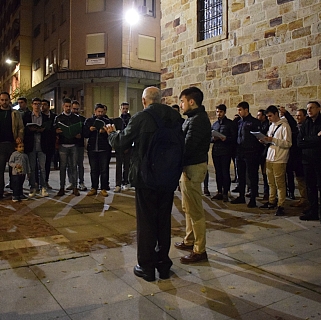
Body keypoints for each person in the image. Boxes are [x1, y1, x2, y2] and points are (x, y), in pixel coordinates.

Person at [106, 86, 184, 281]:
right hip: (167, 177)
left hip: (146, 177)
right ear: (161, 99)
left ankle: (146, 267)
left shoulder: (141, 117)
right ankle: (163, 265)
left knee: (146, 222)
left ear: (144, 101)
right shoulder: (174, 117)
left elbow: (121, 142)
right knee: (163, 220)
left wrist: (111, 133)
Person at [174, 86, 211, 264]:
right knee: (188, 207)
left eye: (182, 101)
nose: (180, 105)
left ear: (191, 101)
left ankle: (199, 249)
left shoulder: (198, 121)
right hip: (188, 167)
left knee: (195, 210)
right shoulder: (193, 118)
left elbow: (187, 147)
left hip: (193, 168)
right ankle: (190, 240)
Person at [259, 105, 292, 216]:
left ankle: (281, 204)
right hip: (270, 157)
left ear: (276, 114)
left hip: (280, 158)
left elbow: (288, 143)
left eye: (270, 116)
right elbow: (270, 140)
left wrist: (273, 140)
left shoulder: (284, 126)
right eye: (267, 116)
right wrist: (264, 141)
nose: (269, 118)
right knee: (270, 182)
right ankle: (272, 201)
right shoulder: (272, 126)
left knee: (280, 184)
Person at [231, 101, 261, 208]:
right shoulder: (239, 122)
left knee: (252, 176)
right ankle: (241, 196)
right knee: (241, 175)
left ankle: (253, 198)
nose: (238, 112)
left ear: (246, 110)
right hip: (240, 152)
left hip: (251, 152)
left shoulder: (254, 122)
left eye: (240, 110)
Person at [23, 97, 52, 197]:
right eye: (35, 104)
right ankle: (33, 187)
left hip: (42, 145)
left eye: (39, 104)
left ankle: (43, 187)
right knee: (32, 168)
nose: (37, 106)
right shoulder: (26, 116)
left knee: (42, 168)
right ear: (32, 105)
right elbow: (23, 130)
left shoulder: (45, 117)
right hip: (31, 145)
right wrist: (30, 129)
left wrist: (42, 130)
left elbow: (49, 130)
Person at [298, 101, 321, 221]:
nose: (309, 110)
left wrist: (307, 140)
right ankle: (313, 211)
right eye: (307, 108)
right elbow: (299, 142)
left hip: (319, 160)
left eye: (312, 108)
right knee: (310, 187)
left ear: (318, 109)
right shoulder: (306, 122)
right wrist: (316, 138)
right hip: (307, 160)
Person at [83, 103, 113, 197]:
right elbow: (84, 134)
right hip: (92, 148)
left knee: (104, 169)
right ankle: (94, 188)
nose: (100, 113)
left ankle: (103, 188)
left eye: (102, 111)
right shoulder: (89, 121)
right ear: (95, 111)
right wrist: (89, 130)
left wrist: (104, 132)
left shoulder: (107, 121)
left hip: (104, 149)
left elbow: (112, 134)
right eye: (98, 111)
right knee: (94, 169)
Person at [54, 98, 81, 196]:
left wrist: (78, 134)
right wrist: (56, 131)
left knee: (74, 167)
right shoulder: (58, 118)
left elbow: (79, 129)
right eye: (66, 106)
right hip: (63, 145)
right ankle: (61, 187)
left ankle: (75, 187)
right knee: (63, 167)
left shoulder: (75, 117)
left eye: (70, 106)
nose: (68, 108)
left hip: (73, 144)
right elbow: (54, 129)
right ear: (63, 106)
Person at [0, 91, 24, 199]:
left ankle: (15, 192)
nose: (4, 102)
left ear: (9, 100)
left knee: (14, 170)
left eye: (6, 100)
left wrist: (19, 136)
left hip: (12, 144)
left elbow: (20, 127)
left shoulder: (15, 113)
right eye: (2, 100)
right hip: (0, 145)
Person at [211, 104, 237, 202]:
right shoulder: (215, 124)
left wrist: (225, 138)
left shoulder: (230, 124)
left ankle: (226, 192)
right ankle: (219, 191)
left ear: (224, 112)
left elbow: (234, 138)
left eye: (220, 112)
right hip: (216, 151)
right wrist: (213, 139)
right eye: (217, 112)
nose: (219, 114)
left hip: (226, 151)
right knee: (218, 172)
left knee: (225, 172)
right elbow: (210, 137)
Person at [288, 109, 309, 208]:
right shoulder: (297, 128)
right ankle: (304, 198)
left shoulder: (307, 127)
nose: (297, 117)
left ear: (305, 116)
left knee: (307, 180)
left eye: (299, 115)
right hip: (297, 158)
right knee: (300, 179)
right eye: (296, 115)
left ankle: (307, 199)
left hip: (306, 157)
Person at [66, 100, 87, 191]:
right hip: (70, 143)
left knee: (79, 163)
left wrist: (81, 134)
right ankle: (72, 182)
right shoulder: (68, 118)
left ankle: (81, 182)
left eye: (77, 109)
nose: (75, 110)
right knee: (70, 164)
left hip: (79, 144)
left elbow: (86, 132)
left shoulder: (82, 119)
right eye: (74, 109)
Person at [112, 102, 131, 193]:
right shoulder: (116, 121)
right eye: (123, 108)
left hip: (128, 146)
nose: (125, 110)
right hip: (119, 146)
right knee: (118, 166)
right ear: (120, 109)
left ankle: (125, 182)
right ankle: (118, 184)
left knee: (127, 166)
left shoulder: (131, 120)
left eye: (126, 109)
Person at [41, 99, 57, 189]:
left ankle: (46, 181)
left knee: (47, 164)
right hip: (41, 142)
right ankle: (39, 182)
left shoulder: (54, 116)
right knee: (41, 164)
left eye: (45, 105)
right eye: (41, 105)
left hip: (50, 142)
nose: (43, 106)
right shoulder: (40, 116)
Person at [256, 109, 270, 200]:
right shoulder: (258, 124)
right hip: (258, 151)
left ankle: (267, 192)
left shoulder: (268, 125)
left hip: (265, 152)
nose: (258, 117)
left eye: (259, 115)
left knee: (266, 174)